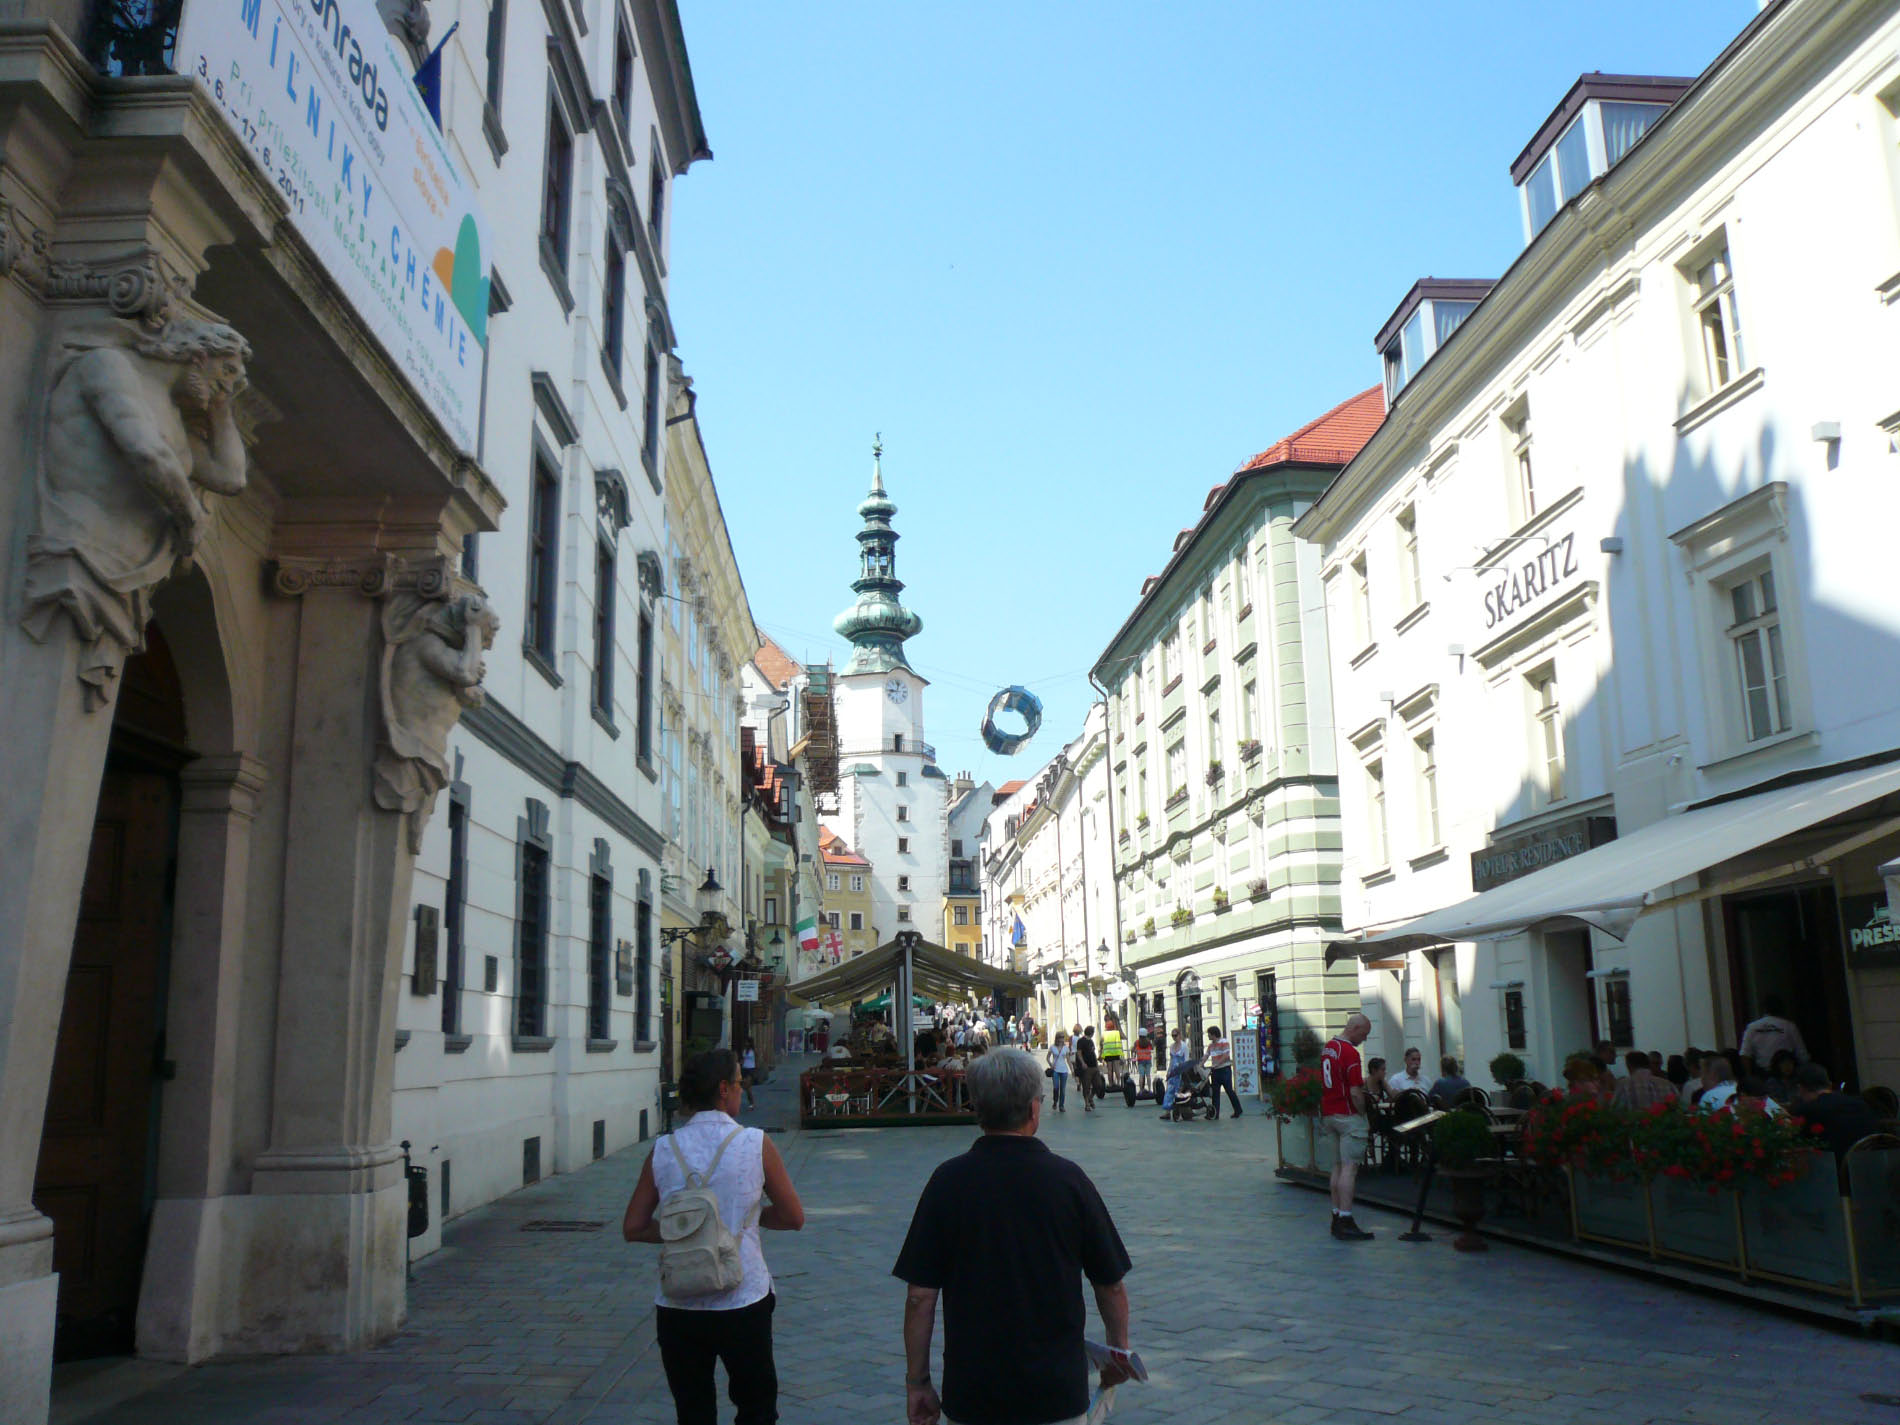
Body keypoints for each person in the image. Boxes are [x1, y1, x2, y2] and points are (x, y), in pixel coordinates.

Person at [893, 1048, 1135, 1425]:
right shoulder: (1069, 1181)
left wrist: (918, 1382)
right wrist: (1118, 1352)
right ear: (1033, 1110)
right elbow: (1111, 1285)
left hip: (974, 1392)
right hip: (1056, 1393)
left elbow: (919, 1297)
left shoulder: (947, 1182)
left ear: (977, 1109)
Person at [621, 1049, 806, 1425]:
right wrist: (748, 1219)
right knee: (756, 1411)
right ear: (723, 1089)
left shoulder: (664, 1149)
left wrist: (687, 1231)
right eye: (739, 1082)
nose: (741, 1088)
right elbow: (793, 1217)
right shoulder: (755, 1143)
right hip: (743, 1296)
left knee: (692, 1413)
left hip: (679, 1303)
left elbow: (634, 1227)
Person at [1321, 1015, 1374, 1239]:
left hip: (1329, 1113)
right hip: (1347, 1115)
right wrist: (1362, 1112)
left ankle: (1336, 1215)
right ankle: (1346, 1218)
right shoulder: (1350, 1053)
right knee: (1349, 1169)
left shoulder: (1328, 1048)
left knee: (1337, 1167)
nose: (1364, 1039)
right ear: (1355, 1028)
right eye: (1364, 1034)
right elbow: (1355, 1091)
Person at [1789, 1062, 1880, 1160]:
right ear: (1829, 1084)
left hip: (1834, 1166)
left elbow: (1795, 1144)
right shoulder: (1861, 1104)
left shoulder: (1808, 1110)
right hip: (1871, 1163)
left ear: (1801, 1088)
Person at [1739, 996, 1809, 1072]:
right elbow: (1802, 1056)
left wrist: (1749, 1076)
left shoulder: (1752, 1027)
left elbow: (1745, 1055)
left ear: (1764, 1009)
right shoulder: (1789, 1026)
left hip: (1763, 1073)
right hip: (1785, 1073)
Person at [1612, 1050, 1677, 1110]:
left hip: (1634, 1118)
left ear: (1628, 1066)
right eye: (1655, 1063)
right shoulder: (1668, 1084)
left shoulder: (1624, 1084)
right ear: (1648, 1064)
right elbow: (1679, 1107)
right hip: (1663, 1118)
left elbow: (1614, 1109)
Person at [1204, 1026, 1242, 1117]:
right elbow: (1206, 1055)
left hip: (1224, 1070)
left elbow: (1225, 1056)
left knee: (1229, 1091)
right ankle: (1214, 1114)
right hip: (1215, 1071)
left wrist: (1216, 1064)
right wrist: (1200, 1064)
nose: (1208, 1036)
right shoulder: (1211, 1045)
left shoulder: (1224, 1042)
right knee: (1215, 1093)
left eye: (1209, 1034)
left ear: (1213, 1034)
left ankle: (1238, 1110)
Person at [1158, 1029, 1189, 1118]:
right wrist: (1168, 1071)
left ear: (1180, 1035)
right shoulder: (1171, 1046)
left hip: (1180, 1072)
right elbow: (1171, 1060)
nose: (1174, 1037)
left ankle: (1178, 1111)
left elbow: (1186, 1060)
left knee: (1178, 1091)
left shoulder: (1184, 1046)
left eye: (1175, 1035)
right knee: (1169, 1091)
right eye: (1172, 1036)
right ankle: (1167, 1112)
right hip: (1173, 1072)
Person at [1075, 1027, 1100, 1112]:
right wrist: (1082, 1063)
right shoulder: (1081, 1041)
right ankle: (1087, 1104)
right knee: (1086, 1086)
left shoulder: (1091, 1041)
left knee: (1098, 1085)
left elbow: (1093, 1053)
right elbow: (1079, 1053)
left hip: (1094, 1066)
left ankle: (1091, 1097)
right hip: (1086, 1067)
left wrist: (1097, 1064)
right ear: (1091, 1032)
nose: (1094, 1033)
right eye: (1093, 1032)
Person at [1046, 1032, 1072, 1113]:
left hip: (1064, 1070)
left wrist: (1072, 1070)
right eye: (1060, 1037)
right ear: (1057, 1038)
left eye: (1063, 1037)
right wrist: (1051, 1065)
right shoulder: (1052, 1047)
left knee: (1063, 1089)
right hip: (1055, 1070)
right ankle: (1055, 1101)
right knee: (1056, 1088)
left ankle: (1061, 1106)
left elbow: (1068, 1060)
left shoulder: (1066, 1048)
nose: (1062, 1039)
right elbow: (1047, 1058)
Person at [1100, 1017, 1124, 1088]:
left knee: (1109, 1070)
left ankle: (1110, 1083)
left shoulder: (1104, 1034)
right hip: (1116, 1053)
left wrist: (1102, 1055)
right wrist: (1121, 1054)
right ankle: (1118, 1083)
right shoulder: (1116, 1033)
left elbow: (1101, 1044)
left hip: (1108, 1054)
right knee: (1117, 1069)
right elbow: (1119, 1044)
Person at [739, 1044, 758, 1109]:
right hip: (744, 1069)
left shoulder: (753, 1051)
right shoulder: (744, 1050)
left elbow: (757, 1059)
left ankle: (752, 1103)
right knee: (747, 1088)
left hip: (751, 1069)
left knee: (747, 1086)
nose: (746, 1044)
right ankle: (751, 1103)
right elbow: (743, 1059)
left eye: (747, 1042)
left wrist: (756, 1068)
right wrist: (740, 1064)